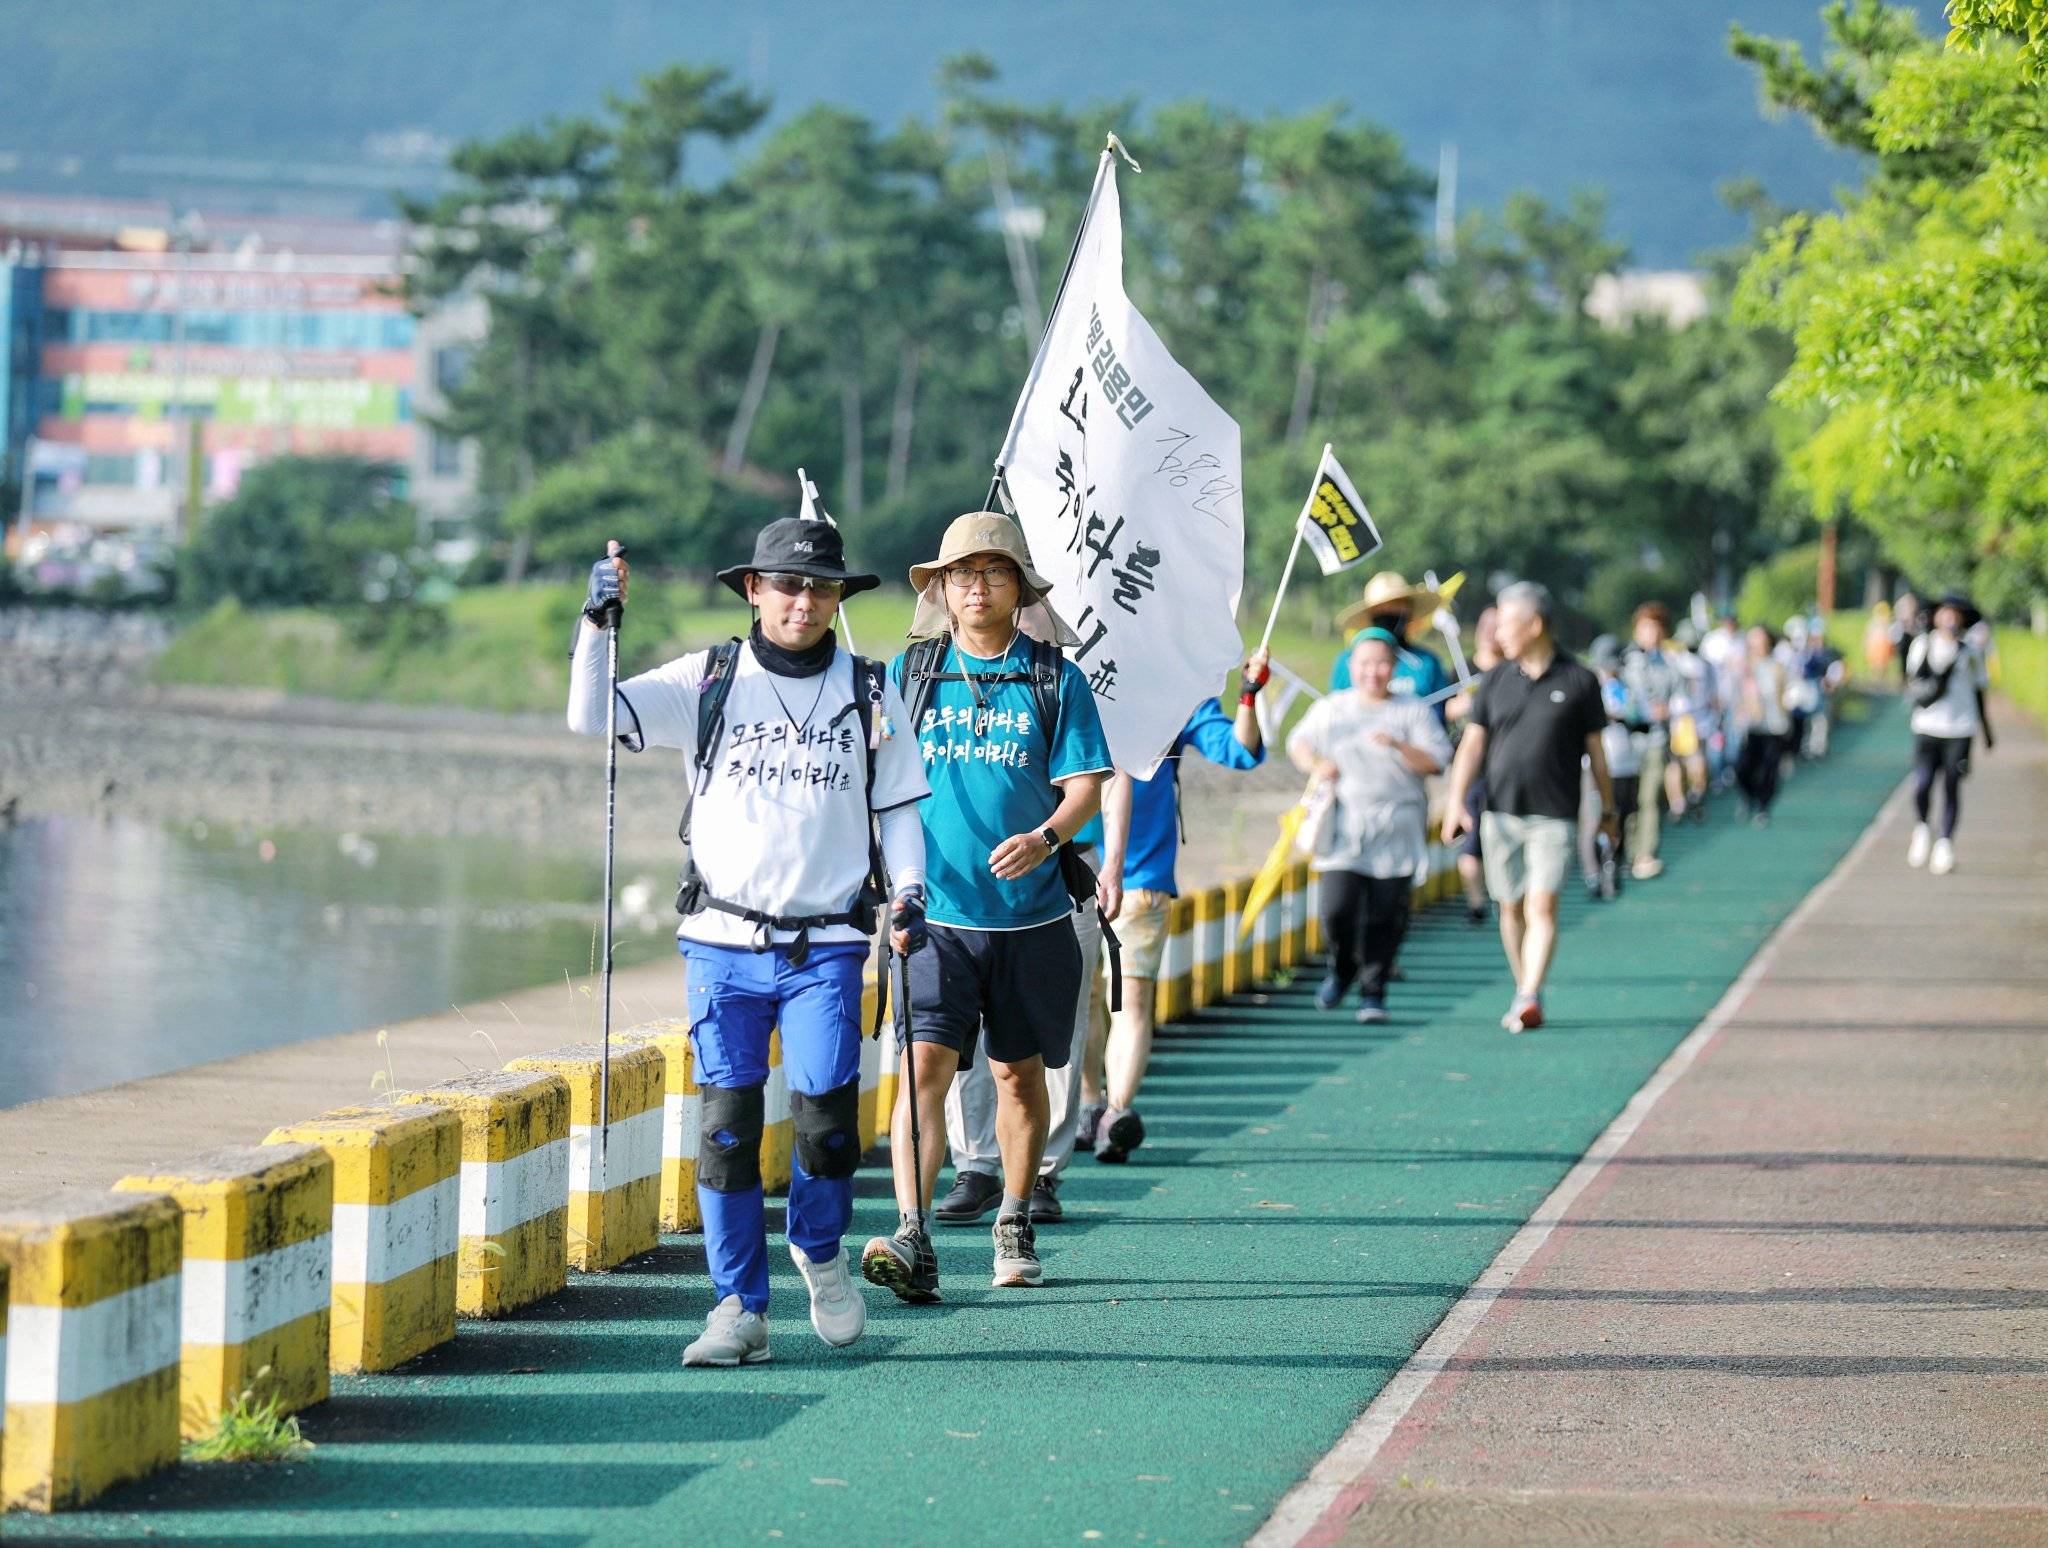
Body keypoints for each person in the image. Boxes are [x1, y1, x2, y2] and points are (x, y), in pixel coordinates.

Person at [565, 518, 930, 1367]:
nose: (804, 601)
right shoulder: (710, 678)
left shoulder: (871, 691)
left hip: (829, 943)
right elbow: (594, 716)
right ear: (754, 592)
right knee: (728, 1129)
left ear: (838, 600)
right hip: (722, 940)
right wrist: (595, 625)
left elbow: (898, 808)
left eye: (821, 587)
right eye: (788, 585)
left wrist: (909, 893)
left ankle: (821, 1251)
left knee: (827, 1127)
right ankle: (739, 1307)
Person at [863, 512, 1111, 1300]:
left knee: (1015, 1075)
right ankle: (912, 1231)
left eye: (993, 572)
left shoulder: (1054, 677)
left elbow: (1084, 789)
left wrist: (1044, 838)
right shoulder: (910, 675)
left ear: (1020, 589)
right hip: (935, 918)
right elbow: (882, 787)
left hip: (1031, 919)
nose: (976, 586)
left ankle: (1013, 1213)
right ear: (940, 588)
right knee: (923, 1069)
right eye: (961, 574)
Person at [1072, 648, 1271, 1161]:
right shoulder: (1070, 678)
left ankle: (1105, 1110)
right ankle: (1104, 1107)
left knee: (1110, 1000)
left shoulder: (1169, 693)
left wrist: (1248, 693)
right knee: (1103, 1001)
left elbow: (1240, 750)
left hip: (1133, 877)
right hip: (1070, 869)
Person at [1440, 582, 1617, 1033]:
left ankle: (1530, 991)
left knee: (1542, 905)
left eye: (1506, 625)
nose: (1498, 634)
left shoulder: (1579, 680)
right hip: (1499, 813)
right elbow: (1473, 745)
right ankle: (1525, 989)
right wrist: (1456, 802)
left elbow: (1596, 754)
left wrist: (1609, 811)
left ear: (1535, 625)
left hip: (1554, 815)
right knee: (1511, 908)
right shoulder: (1495, 680)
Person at [1289, 629, 1452, 1023]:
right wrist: (1316, 765)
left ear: (1393, 668)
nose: (1372, 672)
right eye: (1364, 664)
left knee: (1386, 914)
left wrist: (1400, 746)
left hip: (1397, 824)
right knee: (1336, 910)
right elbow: (1298, 743)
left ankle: (1374, 991)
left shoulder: (1412, 711)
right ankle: (1342, 967)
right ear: (1351, 667)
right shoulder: (1334, 708)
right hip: (1345, 824)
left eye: (1381, 664)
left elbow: (1437, 761)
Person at [1905, 593, 1994, 875]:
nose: (1950, 619)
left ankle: (1945, 843)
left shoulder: (1971, 652)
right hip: (1927, 726)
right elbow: (1913, 680)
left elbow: (1979, 691)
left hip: (1960, 728)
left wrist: (1986, 730)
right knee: (1923, 783)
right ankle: (1922, 827)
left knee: (1952, 785)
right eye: (1945, 613)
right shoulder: (1923, 645)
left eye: (1955, 614)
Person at [1619, 603, 1685, 880]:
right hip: (1626, 742)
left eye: (1656, 627)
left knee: (1649, 798)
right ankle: (1629, 853)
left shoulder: (1669, 664)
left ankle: (1646, 854)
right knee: (1629, 800)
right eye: (1645, 627)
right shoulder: (1626, 661)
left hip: (1656, 739)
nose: (1650, 633)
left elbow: (1676, 698)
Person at [1328, 571, 1453, 714]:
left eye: (1395, 606)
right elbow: (1335, 710)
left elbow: (1441, 712)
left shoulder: (1427, 662)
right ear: (1371, 614)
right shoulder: (1347, 661)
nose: (1388, 612)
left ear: (1408, 611)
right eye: (1381, 608)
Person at [1447, 608, 1501, 926]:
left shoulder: (1511, 669)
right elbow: (1443, 711)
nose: (1488, 632)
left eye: (1496, 627)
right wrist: (1465, 703)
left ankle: (1499, 892)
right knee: (1471, 832)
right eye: (1484, 625)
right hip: (1470, 765)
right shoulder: (1460, 668)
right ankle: (1476, 901)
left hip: (1504, 762)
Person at [1584, 634, 1641, 897]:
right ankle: (1595, 872)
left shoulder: (1626, 685)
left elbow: (1636, 715)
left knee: (1624, 816)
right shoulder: (1588, 687)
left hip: (1626, 760)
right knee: (1596, 820)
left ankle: (1614, 866)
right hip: (1599, 764)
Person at [1734, 623, 1792, 824]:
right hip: (1750, 727)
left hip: (1775, 726)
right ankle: (1748, 795)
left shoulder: (1777, 667)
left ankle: (1763, 805)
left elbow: (1787, 693)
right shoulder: (1744, 667)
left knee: (1769, 768)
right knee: (1742, 768)